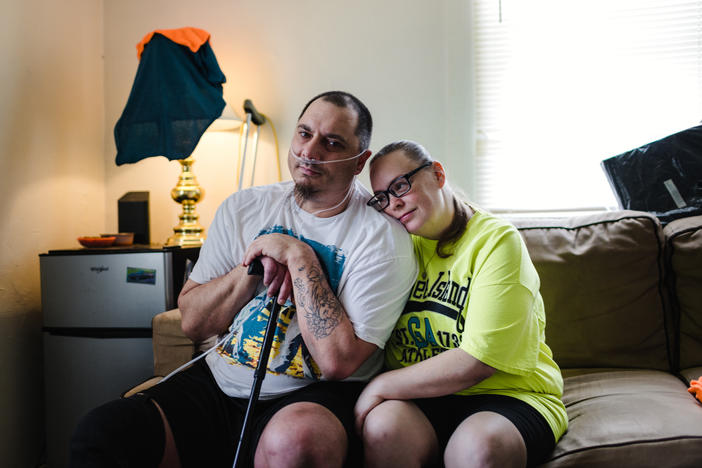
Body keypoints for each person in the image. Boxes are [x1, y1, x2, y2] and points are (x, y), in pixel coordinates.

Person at [70, 92, 417, 468]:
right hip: (219, 382)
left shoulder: (381, 237)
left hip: (312, 394)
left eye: (332, 143)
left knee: (296, 443)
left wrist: (300, 258)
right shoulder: (243, 207)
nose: (310, 151)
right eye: (304, 133)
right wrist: (252, 266)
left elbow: (337, 362)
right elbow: (193, 323)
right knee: (102, 430)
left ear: (360, 162)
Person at [354, 140, 568, 468]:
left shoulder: (495, 240)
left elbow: (478, 360)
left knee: (478, 448)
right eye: (382, 198)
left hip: (510, 395)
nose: (393, 204)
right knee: (384, 428)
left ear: (437, 174)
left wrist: (380, 386)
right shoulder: (393, 246)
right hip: (418, 397)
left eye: (400, 186)